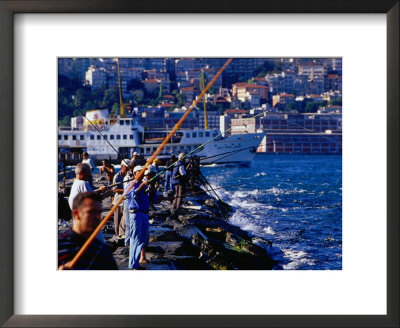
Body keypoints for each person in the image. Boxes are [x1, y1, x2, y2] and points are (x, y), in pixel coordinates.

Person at [58, 192, 118, 270]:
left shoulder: (103, 251)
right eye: (91, 212)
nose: (97, 217)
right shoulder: (59, 245)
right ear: (76, 214)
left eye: (99, 212)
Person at [124, 165, 157, 270]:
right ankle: (132, 265)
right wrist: (142, 185)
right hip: (136, 214)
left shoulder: (145, 185)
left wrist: (152, 188)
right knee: (135, 239)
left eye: (143, 172)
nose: (143, 174)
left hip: (144, 214)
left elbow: (154, 199)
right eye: (140, 172)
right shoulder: (130, 184)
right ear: (134, 174)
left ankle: (136, 263)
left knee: (143, 239)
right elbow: (134, 195)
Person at [111, 159, 130, 238]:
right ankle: (117, 236)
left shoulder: (129, 176)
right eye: (126, 167)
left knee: (124, 221)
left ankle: (123, 235)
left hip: (126, 202)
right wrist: (126, 190)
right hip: (118, 202)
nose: (128, 169)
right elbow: (115, 189)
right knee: (117, 221)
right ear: (122, 166)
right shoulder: (117, 176)